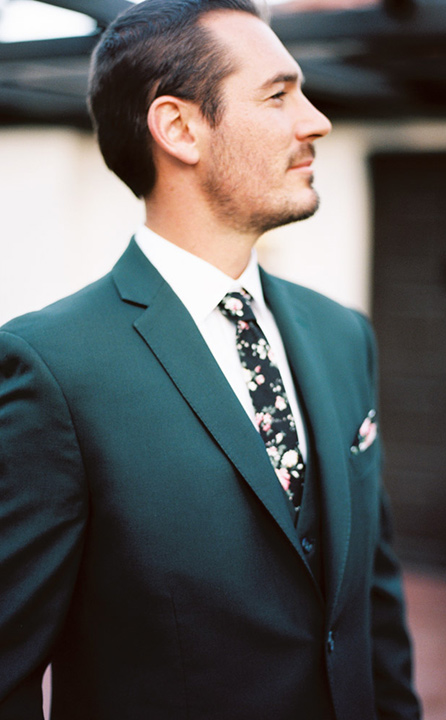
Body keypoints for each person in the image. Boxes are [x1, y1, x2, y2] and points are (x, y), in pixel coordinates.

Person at [0, 1, 421, 718]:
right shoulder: (53, 368)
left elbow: (372, 604)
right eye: (279, 95)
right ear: (179, 129)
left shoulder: (344, 334)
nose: (314, 120)